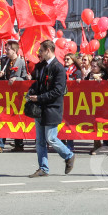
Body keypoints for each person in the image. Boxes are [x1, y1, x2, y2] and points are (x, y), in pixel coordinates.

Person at [25, 40, 75, 177]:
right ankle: (43, 168)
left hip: (52, 107)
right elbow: (38, 83)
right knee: (40, 140)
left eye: (41, 50)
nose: (39, 53)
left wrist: (40, 98)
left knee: (51, 138)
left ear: (48, 50)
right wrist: (31, 91)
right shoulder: (41, 66)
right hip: (40, 108)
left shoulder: (58, 68)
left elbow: (58, 90)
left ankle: (68, 155)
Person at [0, 41, 27, 153]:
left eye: (8, 49)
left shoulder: (22, 62)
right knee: (3, 118)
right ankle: (0, 144)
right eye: (6, 49)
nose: (6, 51)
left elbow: (25, 78)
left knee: (16, 119)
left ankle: (19, 144)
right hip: (6, 95)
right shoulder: (5, 61)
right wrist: (1, 75)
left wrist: (16, 79)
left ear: (15, 50)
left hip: (17, 95)